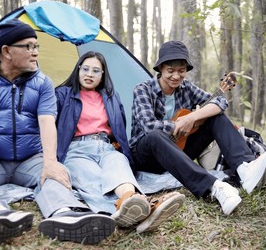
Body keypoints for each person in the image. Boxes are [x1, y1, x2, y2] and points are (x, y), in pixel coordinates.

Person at [0, 19, 115, 246]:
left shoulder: (43, 83)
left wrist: (49, 161)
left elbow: (47, 122)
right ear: (6, 51)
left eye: (36, 46)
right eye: (28, 46)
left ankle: (65, 213)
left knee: (55, 170)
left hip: (30, 160)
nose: (35, 52)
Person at [129, 41, 266, 215]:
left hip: (178, 149)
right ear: (161, 68)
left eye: (181, 71)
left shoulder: (186, 88)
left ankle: (245, 169)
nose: (176, 76)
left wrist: (191, 118)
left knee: (214, 115)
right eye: (171, 70)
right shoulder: (143, 90)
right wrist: (178, 124)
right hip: (147, 157)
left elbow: (220, 102)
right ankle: (214, 187)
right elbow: (148, 125)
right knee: (155, 136)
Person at [55, 51, 185, 233]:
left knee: (118, 167)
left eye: (95, 71)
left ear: (102, 76)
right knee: (95, 180)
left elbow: (119, 128)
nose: (89, 74)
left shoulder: (110, 97)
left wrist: (122, 152)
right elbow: (49, 126)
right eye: (85, 69)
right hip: (77, 149)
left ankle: (131, 201)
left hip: (106, 147)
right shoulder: (62, 94)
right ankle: (143, 211)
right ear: (77, 70)